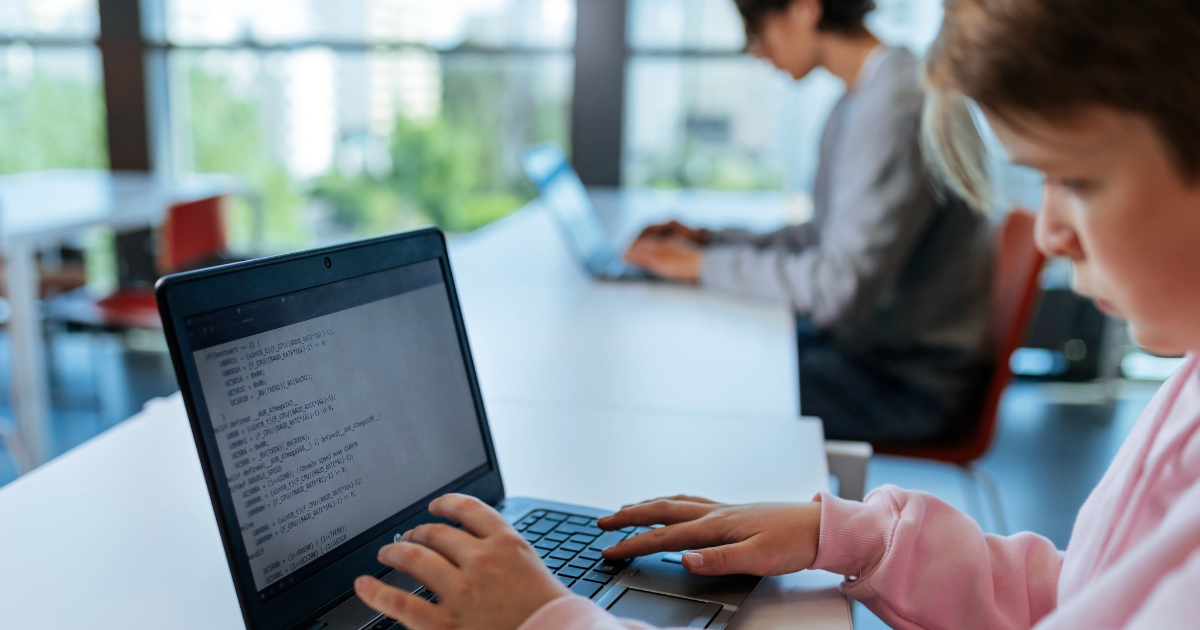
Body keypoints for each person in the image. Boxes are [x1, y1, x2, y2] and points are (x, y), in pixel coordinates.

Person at [351, 0, 1200, 628]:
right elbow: (1080, 592)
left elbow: (840, 283)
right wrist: (846, 536)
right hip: (877, 350)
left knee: (707, 411)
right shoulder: (1184, 391)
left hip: (899, 370)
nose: (1049, 231)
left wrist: (553, 620)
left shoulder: (893, 98)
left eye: (1075, 181)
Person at [625, 0, 994, 444]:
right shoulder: (860, 97)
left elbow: (837, 287)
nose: (755, 50)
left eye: (756, 28)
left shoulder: (898, 104)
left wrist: (700, 267)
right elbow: (821, 238)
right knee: (708, 355)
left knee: (709, 387)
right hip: (865, 349)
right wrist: (711, 241)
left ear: (805, 9)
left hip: (903, 382)